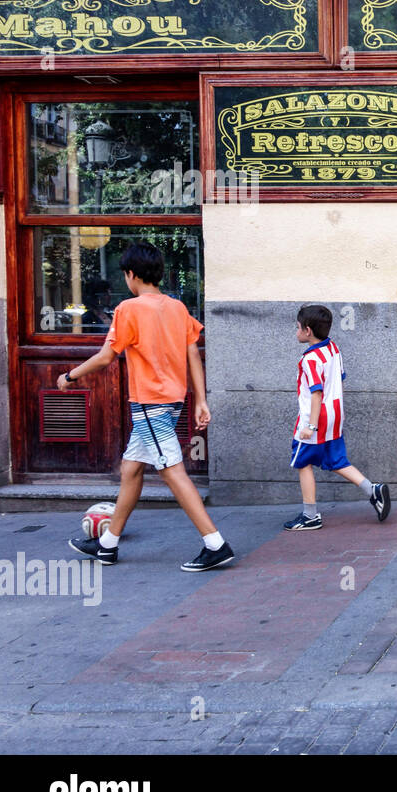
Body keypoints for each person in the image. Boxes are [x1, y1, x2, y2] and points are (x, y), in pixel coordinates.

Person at [63, 242, 234, 572]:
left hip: (149, 404)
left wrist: (70, 376)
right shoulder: (177, 308)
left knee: (172, 472)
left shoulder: (129, 309)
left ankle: (215, 544)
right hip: (171, 402)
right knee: (131, 469)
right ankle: (108, 544)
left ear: (130, 274)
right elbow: (193, 355)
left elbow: (106, 356)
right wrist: (199, 399)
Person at [281, 304, 391, 531]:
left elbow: (316, 392)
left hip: (316, 419)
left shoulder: (310, 359)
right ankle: (373, 490)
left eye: (298, 327)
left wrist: (310, 425)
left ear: (308, 331)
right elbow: (339, 379)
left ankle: (310, 515)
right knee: (337, 461)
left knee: (303, 463)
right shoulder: (333, 348)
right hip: (334, 415)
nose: (296, 331)